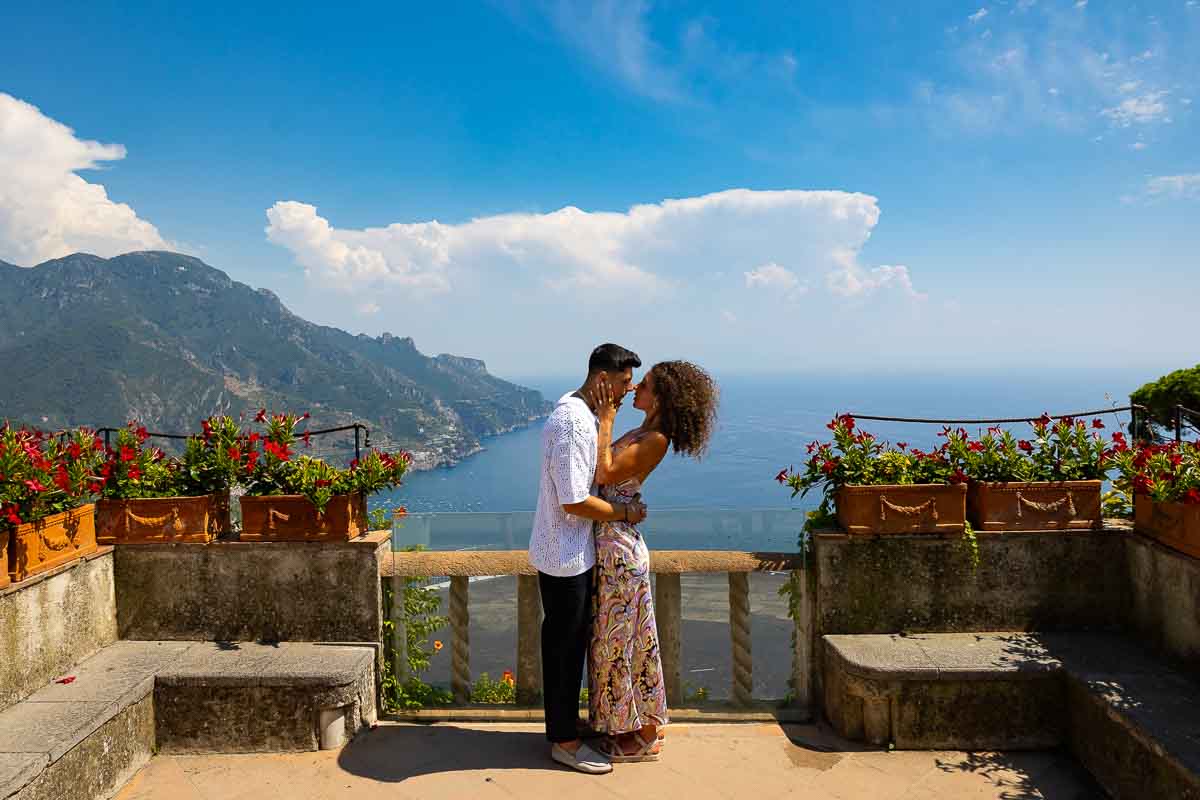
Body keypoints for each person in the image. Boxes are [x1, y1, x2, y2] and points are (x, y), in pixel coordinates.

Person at [585, 360, 719, 763]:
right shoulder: (644, 431)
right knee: (619, 641)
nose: (635, 390)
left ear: (661, 398)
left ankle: (643, 733)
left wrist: (606, 417)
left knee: (626, 642)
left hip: (620, 549)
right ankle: (630, 727)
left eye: (642, 385)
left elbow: (604, 472)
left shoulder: (656, 438)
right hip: (612, 542)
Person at [528, 343, 648, 775]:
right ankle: (563, 741)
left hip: (569, 552)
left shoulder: (580, 414)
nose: (624, 393)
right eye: (621, 384)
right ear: (602, 380)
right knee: (564, 647)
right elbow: (575, 501)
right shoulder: (574, 422)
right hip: (565, 555)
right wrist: (626, 513)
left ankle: (565, 727)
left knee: (571, 644)